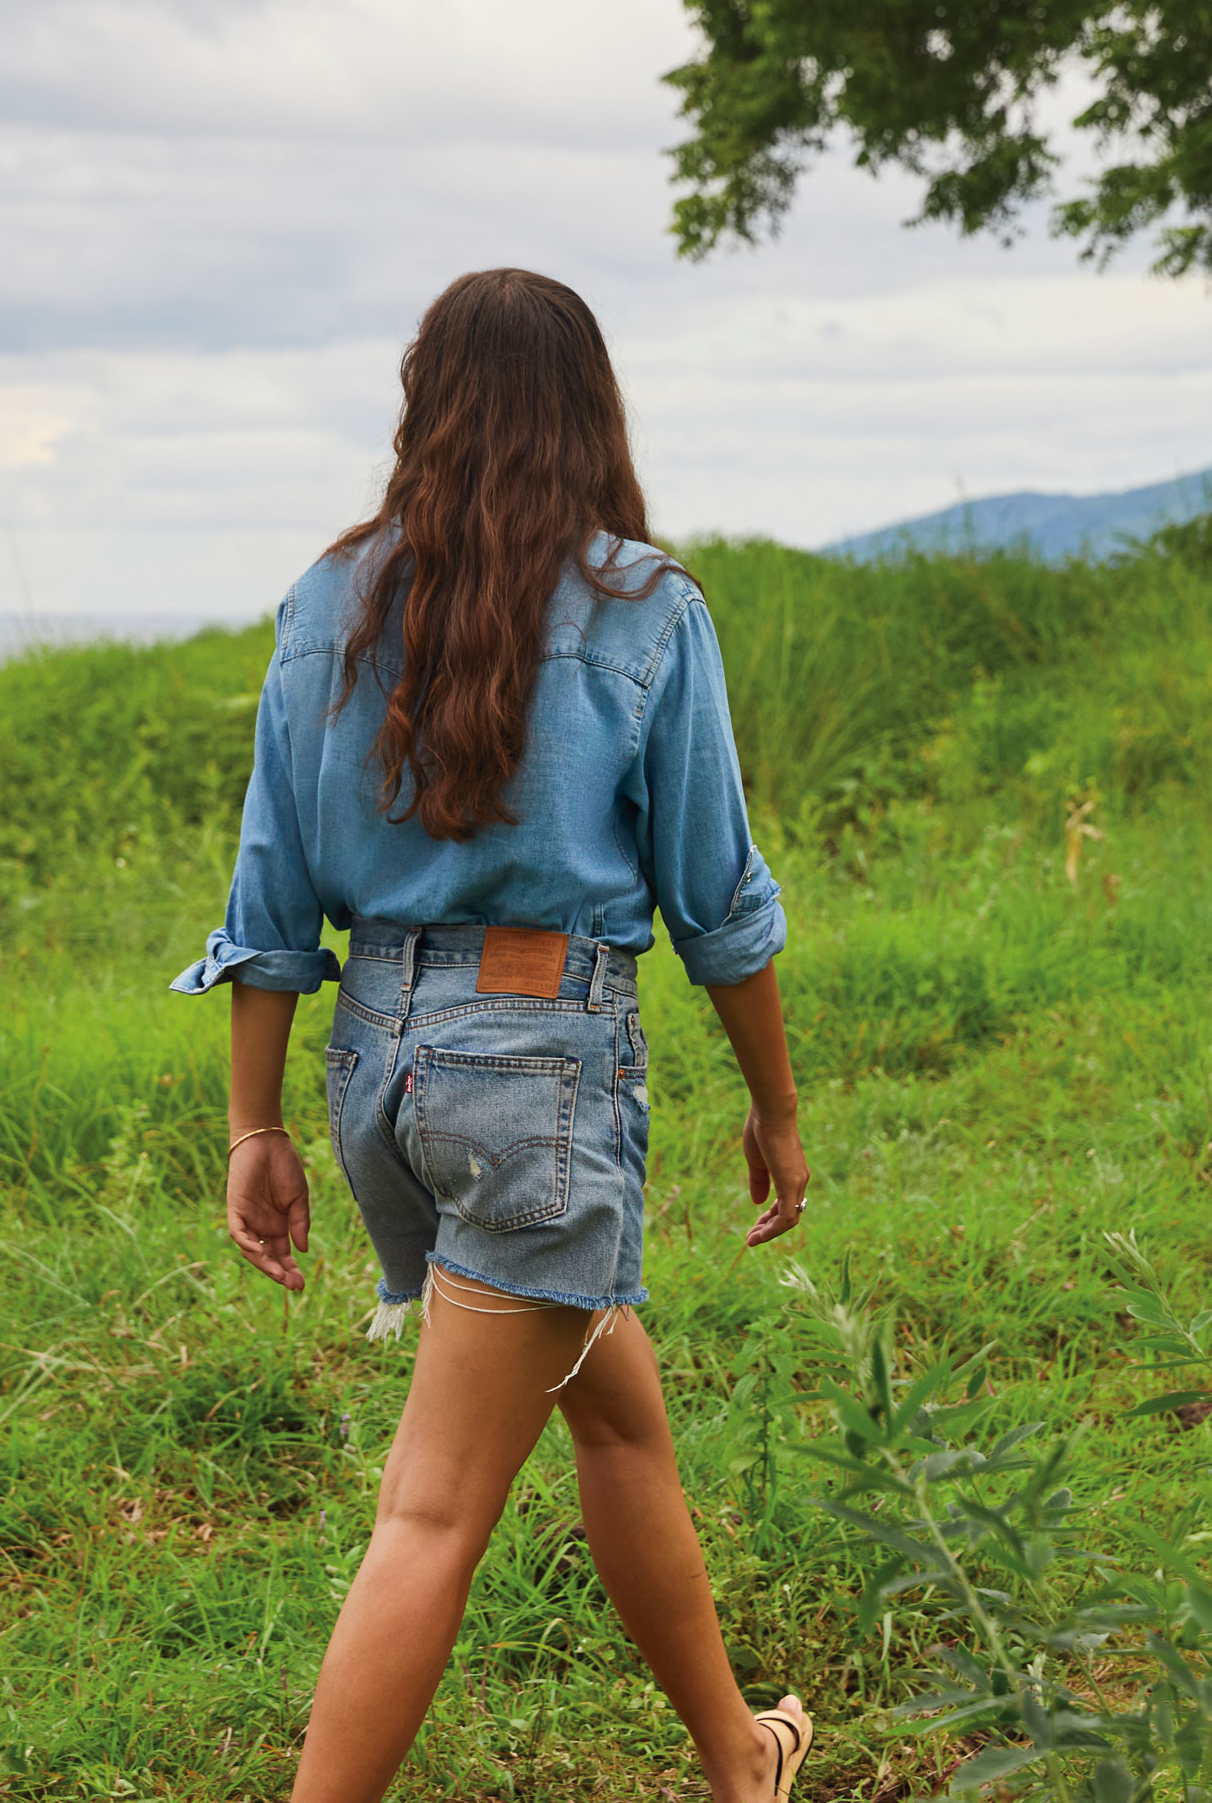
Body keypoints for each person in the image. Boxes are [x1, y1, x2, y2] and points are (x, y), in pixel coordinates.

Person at [171, 268, 818, 1803]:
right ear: (589, 407)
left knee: (618, 1415)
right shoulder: (645, 608)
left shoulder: (333, 599)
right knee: (434, 1512)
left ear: (425, 401)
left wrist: (258, 1127)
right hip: (534, 1078)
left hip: (382, 1069)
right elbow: (716, 896)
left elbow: (270, 897)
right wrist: (777, 1104)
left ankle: (742, 1759)